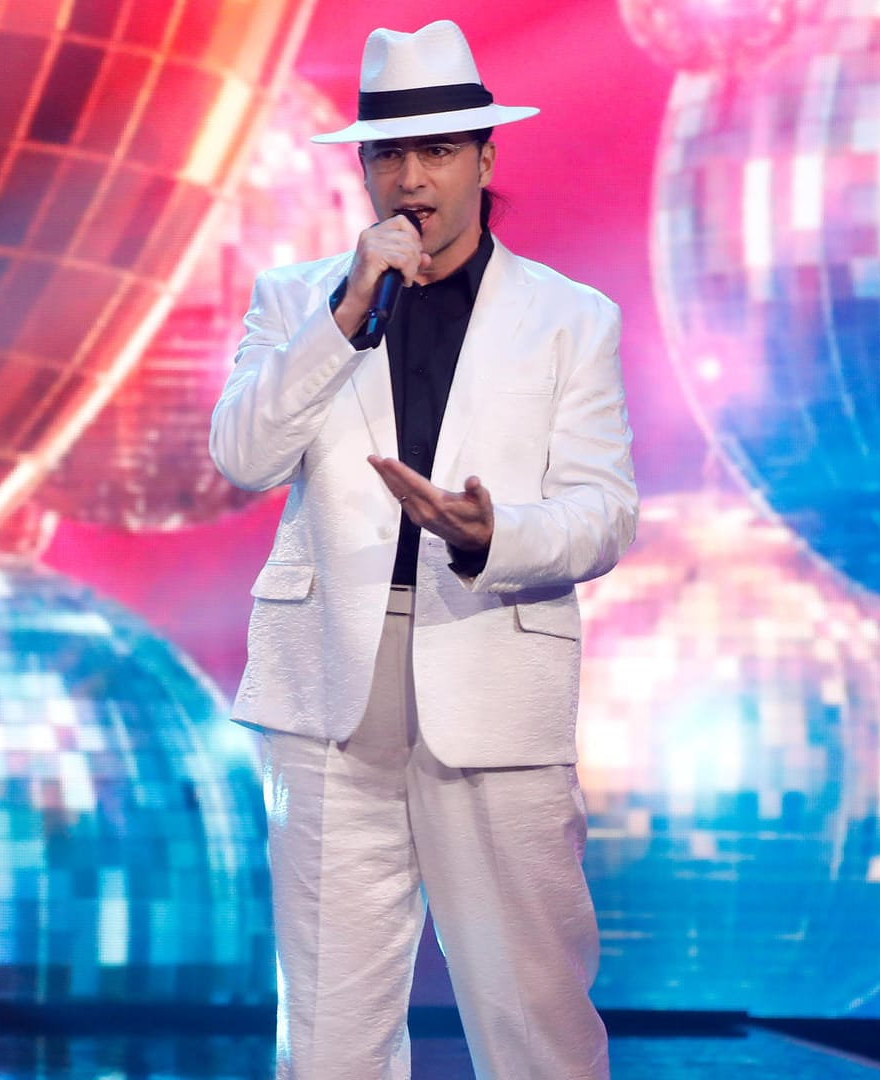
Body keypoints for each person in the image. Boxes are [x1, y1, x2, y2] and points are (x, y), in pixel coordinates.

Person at [210, 21, 637, 1080]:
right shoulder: (298, 300)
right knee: (332, 1025)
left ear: (485, 161)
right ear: (361, 170)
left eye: (439, 151)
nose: (412, 178)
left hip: (492, 665)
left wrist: (499, 534)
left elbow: (605, 511)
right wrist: (346, 312)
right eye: (389, 155)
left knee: (532, 1013)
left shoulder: (568, 319)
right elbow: (244, 457)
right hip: (331, 694)